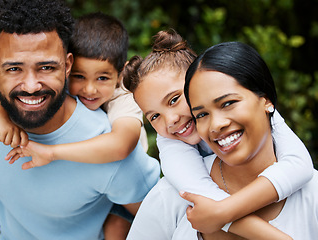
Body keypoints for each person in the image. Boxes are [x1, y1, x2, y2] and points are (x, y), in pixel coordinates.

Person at [0, 1, 159, 240]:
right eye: (13, 69)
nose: (31, 86)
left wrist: (52, 152)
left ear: (67, 65)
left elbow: (161, 219)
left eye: (46, 67)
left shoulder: (108, 146)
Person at [123, 30, 313, 239]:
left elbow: (299, 164)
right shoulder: (172, 172)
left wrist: (224, 213)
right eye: (154, 116)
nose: (170, 120)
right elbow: (202, 198)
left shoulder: (311, 196)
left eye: (174, 100)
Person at [182, 41, 318, 239]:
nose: (215, 125)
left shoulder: (313, 195)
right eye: (201, 115)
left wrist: (223, 214)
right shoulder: (176, 194)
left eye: (228, 103)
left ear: (266, 100)